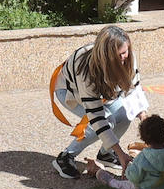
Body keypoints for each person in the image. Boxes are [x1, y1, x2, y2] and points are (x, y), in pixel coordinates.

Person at [51, 25, 145, 178]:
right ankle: (65, 157)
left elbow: (133, 89)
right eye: (118, 55)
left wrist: (144, 117)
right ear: (106, 56)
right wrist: (122, 155)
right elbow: (97, 117)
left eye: (125, 52)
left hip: (103, 95)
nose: (123, 58)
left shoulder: (127, 56)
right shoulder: (85, 69)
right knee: (106, 120)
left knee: (125, 113)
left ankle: (106, 154)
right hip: (70, 93)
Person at [84, 114, 164, 189]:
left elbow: (134, 178)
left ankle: (107, 179)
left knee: (124, 185)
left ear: (143, 138)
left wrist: (129, 170)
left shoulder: (144, 157)